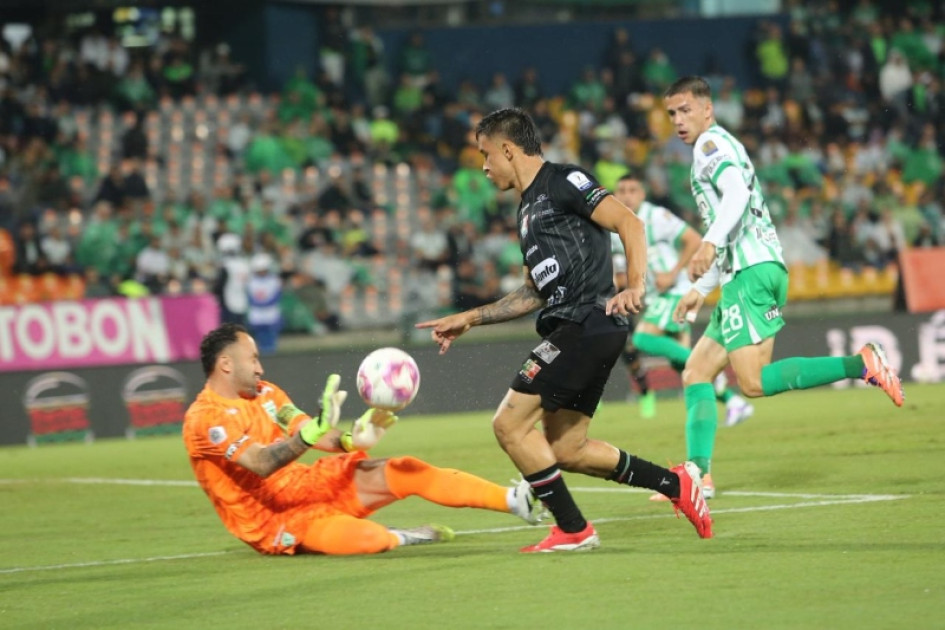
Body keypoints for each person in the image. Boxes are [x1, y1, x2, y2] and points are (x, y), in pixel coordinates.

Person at [417, 108, 713, 552]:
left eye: (484, 155)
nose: (483, 166)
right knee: (568, 448)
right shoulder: (526, 212)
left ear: (507, 149)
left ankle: (574, 529)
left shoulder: (564, 181)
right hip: (577, 326)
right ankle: (677, 484)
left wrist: (635, 284)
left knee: (509, 426)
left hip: (586, 321)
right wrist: (470, 318)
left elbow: (628, 222)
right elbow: (532, 292)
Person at [662, 76, 903, 489]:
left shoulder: (709, 145)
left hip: (750, 275)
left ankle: (861, 363)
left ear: (708, 109)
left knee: (752, 382)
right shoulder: (722, 145)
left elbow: (735, 197)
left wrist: (707, 243)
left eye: (686, 110)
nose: (679, 120)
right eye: (671, 114)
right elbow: (735, 220)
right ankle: (698, 475)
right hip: (760, 268)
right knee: (697, 373)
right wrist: (699, 291)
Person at [182, 323, 545, 556]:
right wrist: (310, 435)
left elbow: (309, 430)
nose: (260, 368)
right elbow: (260, 463)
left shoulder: (265, 392)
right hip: (273, 521)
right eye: (253, 359)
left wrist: (351, 440)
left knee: (407, 469)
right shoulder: (205, 419)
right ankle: (405, 536)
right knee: (370, 540)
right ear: (226, 364)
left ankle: (515, 500)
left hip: (306, 484)